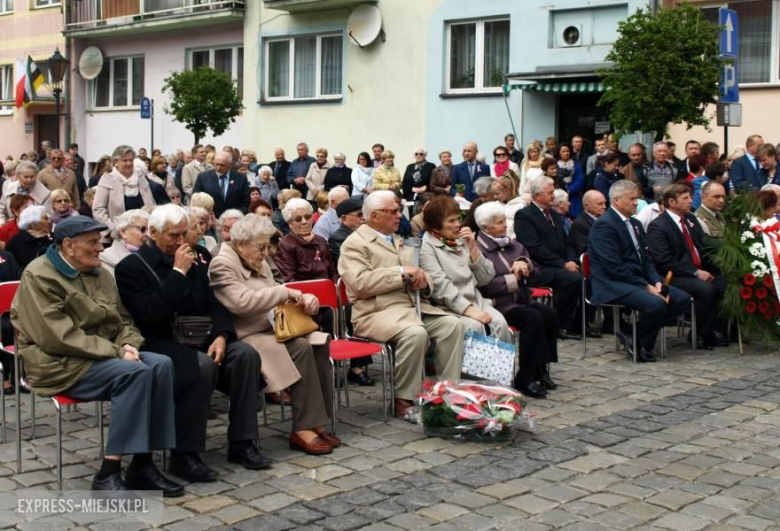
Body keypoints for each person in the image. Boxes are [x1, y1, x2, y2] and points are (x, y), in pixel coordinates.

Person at [11, 217, 181, 497]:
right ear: (68, 246)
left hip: (99, 356)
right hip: (56, 362)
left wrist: (128, 343)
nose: (100, 248)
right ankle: (108, 473)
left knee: (161, 365)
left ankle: (142, 464)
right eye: (92, 242)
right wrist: (118, 351)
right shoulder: (39, 275)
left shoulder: (99, 273)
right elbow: (58, 336)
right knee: (135, 373)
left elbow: (123, 319)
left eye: (99, 241)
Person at [115, 204, 270, 480]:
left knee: (245, 355)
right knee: (201, 367)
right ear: (153, 233)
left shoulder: (197, 255)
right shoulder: (131, 267)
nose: (180, 241)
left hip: (201, 336)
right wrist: (177, 273)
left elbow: (213, 301)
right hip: (161, 342)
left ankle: (243, 442)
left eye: (184, 234)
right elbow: (150, 316)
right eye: (173, 235)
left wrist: (223, 334)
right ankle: (185, 454)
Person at [208, 214, 339, 454]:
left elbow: (280, 290)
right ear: (240, 244)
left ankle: (317, 420)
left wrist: (304, 299)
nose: (266, 252)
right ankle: (303, 427)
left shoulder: (255, 257)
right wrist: (284, 294)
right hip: (248, 333)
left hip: (274, 327)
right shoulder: (222, 264)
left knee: (320, 342)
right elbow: (241, 303)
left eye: (267, 246)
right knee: (300, 347)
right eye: (261, 247)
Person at [338, 191, 463, 419]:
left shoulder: (399, 238)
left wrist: (423, 282)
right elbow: (359, 284)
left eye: (399, 210)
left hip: (412, 307)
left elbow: (422, 274)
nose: (399, 215)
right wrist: (400, 273)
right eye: (393, 211)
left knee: (452, 324)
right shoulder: (354, 244)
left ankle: (448, 392)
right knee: (415, 334)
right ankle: (404, 399)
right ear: (375, 216)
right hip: (376, 313)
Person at [587, 180, 689, 362]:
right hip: (612, 283)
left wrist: (656, 281)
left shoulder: (634, 223)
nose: (636, 203)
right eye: (632, 199)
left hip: (636, 279)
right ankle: (644, 345)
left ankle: (634, 335)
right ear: (616, 201)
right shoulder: (604, 225)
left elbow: (646, 258)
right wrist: (646, 287)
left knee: (681, 299)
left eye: (637, 198)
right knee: (655, 304)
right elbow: (613, 267)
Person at [474, 201, 559, 398]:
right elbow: (484, 285)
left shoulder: (514, 245)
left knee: (549, 314)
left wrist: (526, 265)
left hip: (521, 299)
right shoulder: (479, 250)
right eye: (499, 222)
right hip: (498, 305)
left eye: (504, 220)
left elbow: (537, 272)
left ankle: (541, 368)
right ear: (485, 228)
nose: (505, 225)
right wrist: (515, 278)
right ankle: (525, 375)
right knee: (532, 318)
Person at [419, 196, 512, 345]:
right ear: (436, 226)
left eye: (458, 219)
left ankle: (498, 369)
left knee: (500, 324)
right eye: (451, 221)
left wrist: (473, 249)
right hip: (447, 308)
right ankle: (471, 369)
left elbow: (486, 278)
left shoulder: (460, 241)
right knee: (475, 328)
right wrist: (468, 310)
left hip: (477, 301)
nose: (458, 225)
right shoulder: (427, 247)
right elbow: (440, 287)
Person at [646, 184, 728, 349]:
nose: (690, 201)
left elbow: (705, 245)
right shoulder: (658, 226)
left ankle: (712, 329)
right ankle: (699, 333)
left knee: (726, 284)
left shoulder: (690, 219)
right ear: (671, 202)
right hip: (673, 275)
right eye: (685, 198)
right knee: (706, 290)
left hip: (696, 270)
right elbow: (664, 261)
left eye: (690, 197)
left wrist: (726, 259)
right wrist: (696, 272)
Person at [515, 177, 598, 340]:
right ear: (538, 196)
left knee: (592, 278)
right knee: (572, 279)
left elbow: (567, 242)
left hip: (561, 264)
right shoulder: (524, 216)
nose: (554, 196)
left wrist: (572, 260)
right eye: (550, 193)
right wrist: (563, 264)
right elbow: (534, 247)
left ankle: (580, 323)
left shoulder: (553, 214)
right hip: (539, 267)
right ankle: (560, 324)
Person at [93, 145, 155, 232]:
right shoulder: (107, 179)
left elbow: (151, 204)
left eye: (131, 160)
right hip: (118, 234)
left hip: (144, 233)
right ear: (115, 162)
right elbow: (98, 210)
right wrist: (114, 229)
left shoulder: (141, 178)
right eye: (125, 160)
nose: (129, 163)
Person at [275, 198, 338, 284]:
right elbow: (289, 279)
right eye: (298, 219)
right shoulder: (285, 245)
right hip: (304, 293)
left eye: (307, 217)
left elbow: (332, 271)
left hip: (328, 289)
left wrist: (335, 287)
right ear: (290, 223)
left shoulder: (321, 241)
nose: (304, 222)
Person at [192, 152, 250, 218]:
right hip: (210, 219)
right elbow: (196, 200)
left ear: (230, 165)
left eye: (222, 165)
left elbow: (246, 201)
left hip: (233, 220)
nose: (218, 168)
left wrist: (235, 215)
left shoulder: (240, 178)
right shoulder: (203, 177)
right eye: (216, 164)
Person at [99, 209, 149, 276]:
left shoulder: (153, 253)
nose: (147, 234)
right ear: (123, 232)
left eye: (149, 230)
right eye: (142, 229)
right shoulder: (105, 258)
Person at [7, 205, 52, 270]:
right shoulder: (15, 243)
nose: (49, 221)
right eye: (45, 219)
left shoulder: (53, 238)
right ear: (32, 223)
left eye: (49, 218)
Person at [570, 190, 607, 257]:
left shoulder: (606, 219)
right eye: (599, 204)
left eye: (605, 203)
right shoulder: (579, 224)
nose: (604, 206)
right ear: (586, 206)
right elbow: (584, 250)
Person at [328, 198, 363, 266]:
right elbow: (347, 264)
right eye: (359, 215)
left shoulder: (368, 232)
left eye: (365, 214)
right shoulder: (337, 238)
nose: (364, 218)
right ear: (344, 219)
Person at [556, 143, 585, 217]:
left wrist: (570, 190)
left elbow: (580, 179)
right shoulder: (555, 165)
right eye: (563, 151)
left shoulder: (576, 164)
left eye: (567, 151)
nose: (566, 153)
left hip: (574, 196)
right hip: (559, 195)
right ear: (559, 153)